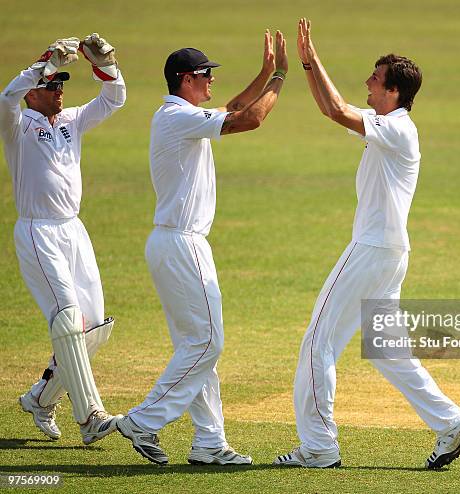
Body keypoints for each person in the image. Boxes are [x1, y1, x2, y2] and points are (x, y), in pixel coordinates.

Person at [273, 19, 460, 470]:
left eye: (375, 77)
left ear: (393, 91)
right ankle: (451, 423)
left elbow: (334, 110)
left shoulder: (397, 128)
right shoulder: (387, 124)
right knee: (388, 350)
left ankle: (319, 446)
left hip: (370, 250)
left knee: (316, 343)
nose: (367, 81)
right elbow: (338, 107)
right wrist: (310, 66)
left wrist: (308, 60)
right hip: (390, 253)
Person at [116, 30, 288, 466]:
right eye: (205, 74)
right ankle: (143, 420)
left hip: (175, 243)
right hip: (182, 242)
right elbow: (249, 119)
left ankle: (209, 442)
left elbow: (230, 108)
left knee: (197, 345)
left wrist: (264, 72)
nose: (211, 81)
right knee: (207, 343)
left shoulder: (181, 115)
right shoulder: (176, 117)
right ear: (185, 79)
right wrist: (281, 77)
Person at [0, 34, 126, 445]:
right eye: (52, 85)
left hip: (74, 228)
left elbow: (114, 99)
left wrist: (105, 63)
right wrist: (44, 63)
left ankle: (40, 398)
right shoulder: (17, 124)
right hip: (38, 230)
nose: (59, 91)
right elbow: (5, 97)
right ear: (33, 93)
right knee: (69, 319)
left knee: (94, 326)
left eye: (60, 85)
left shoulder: (71, 119)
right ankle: (90, 417)